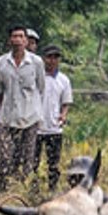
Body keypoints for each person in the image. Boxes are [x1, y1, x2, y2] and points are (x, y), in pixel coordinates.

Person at [0, 24, 44, 194]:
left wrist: (36, 110)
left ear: (26, 40)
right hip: (7, 117)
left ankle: (22, 191)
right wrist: (0, 112)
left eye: (21, 37)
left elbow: (41, 88)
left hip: (30, 117)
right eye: (14, 36)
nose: (17, 40)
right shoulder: (1, 63)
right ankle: (1, 188)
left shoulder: (36, 62)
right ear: (9, 40)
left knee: (27, 158)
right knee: (3, 155)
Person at [36, 44, 72, 189]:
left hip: (54, 128)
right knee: (33, 163)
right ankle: (34, 188)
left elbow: (66, 102)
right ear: (43, 59)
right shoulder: (37, 77)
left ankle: (52, 189)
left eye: (55, 57)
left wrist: (63, 115)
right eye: (49, 57)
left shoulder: (64, 80)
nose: (52, 60)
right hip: (37, 127)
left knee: (53, 163)